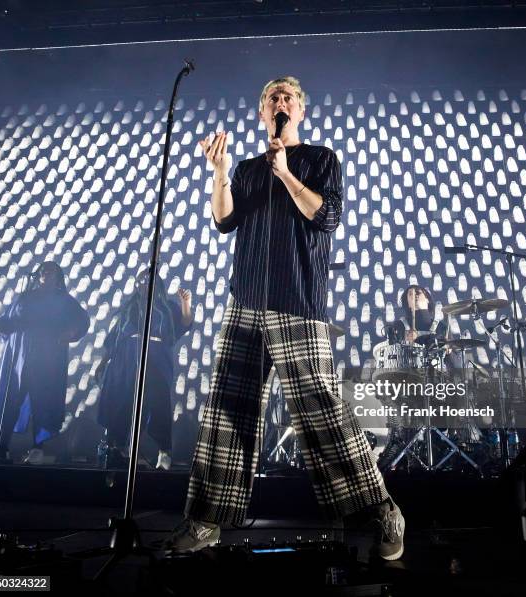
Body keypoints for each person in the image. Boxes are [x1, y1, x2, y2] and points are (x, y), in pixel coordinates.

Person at [164, 76, 405, 560]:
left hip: (297, 303)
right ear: (262, 112)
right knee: (226, 414)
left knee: (320, 409)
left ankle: (382, 510)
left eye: (288, 97)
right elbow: (224, 220)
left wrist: (287, 173)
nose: (280, 102)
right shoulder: (250, 168)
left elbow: (326, 217)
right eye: (272, 97)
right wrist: (220, 171)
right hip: (245, 303)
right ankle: (207, 520)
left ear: (300, 112)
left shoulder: (320, 159)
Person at [0, 261, 89, 465]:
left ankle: (38, 448)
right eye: (44, 270)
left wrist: (71, 333)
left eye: (52, 271)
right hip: (18, 355)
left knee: (42, 401)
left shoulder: (64, 300)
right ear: (37, 275)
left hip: (46, 356)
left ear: (58, 277)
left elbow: (82, 320)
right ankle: (1, 446)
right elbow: (9, 318)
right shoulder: (25, 297)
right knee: (10, 398)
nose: (47, 274)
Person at [95, 270, 193, 470]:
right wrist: (103, 362)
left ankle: (164, 451)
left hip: (155, 357)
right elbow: (115, 338)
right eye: (141, 279)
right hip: (126, 357)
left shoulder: (166, 308)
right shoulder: (129, 308)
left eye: (148, 280)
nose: (144, 283)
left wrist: (185, 303)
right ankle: (120, 450)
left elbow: (184, 323)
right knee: (123, 402)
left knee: (158, 403)